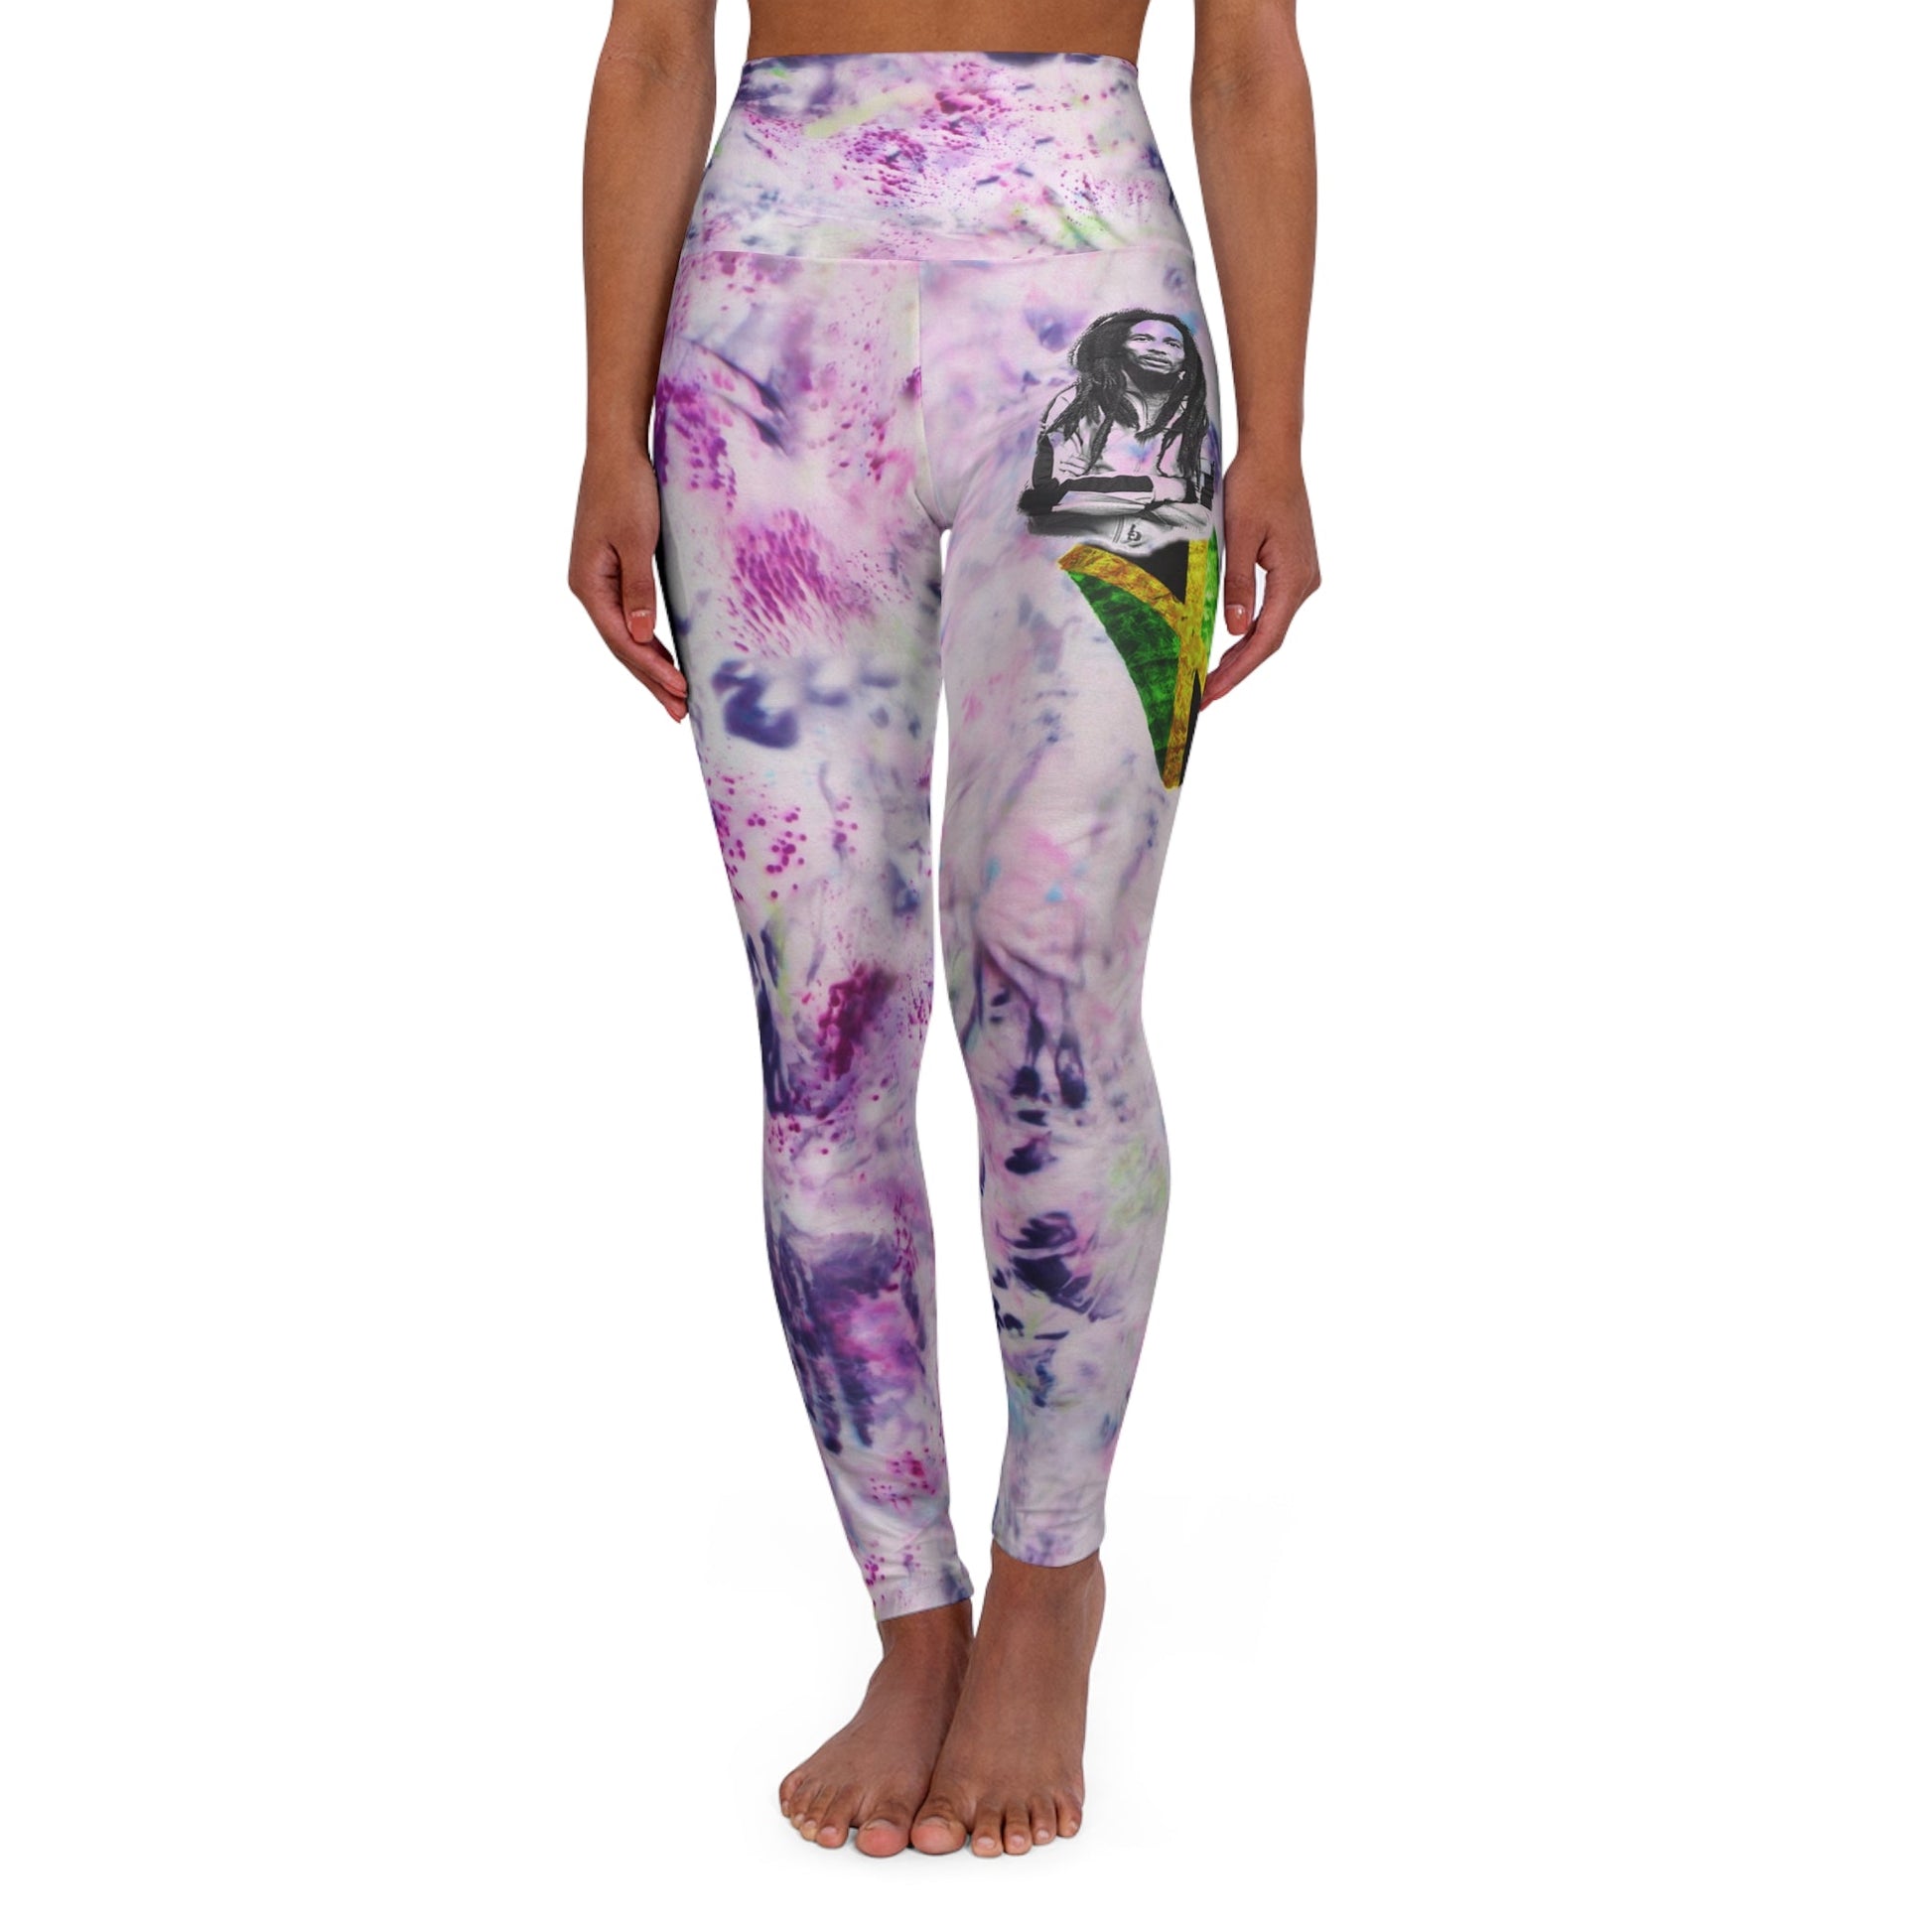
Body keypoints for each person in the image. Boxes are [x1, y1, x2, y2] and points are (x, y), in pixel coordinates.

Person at [568, 0, 1319, 1860]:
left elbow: (1243, 56)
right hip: (764, 321)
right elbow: (655, 45)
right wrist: (600, 430)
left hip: (1090, 317)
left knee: (1053, 995)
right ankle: (912, 1615)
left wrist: (1280, 438)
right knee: (822, 1028)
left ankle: (1048, 1579)